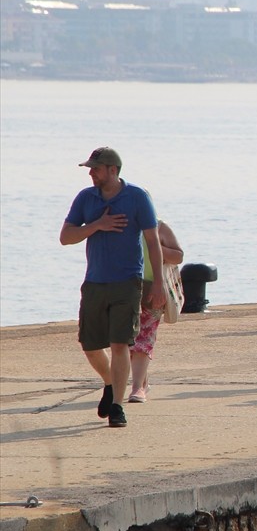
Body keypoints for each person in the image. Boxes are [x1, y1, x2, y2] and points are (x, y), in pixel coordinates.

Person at [60, 147, 166, 429]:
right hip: (94, 281)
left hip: (127, 282)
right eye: (90, 169)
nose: (91, 173)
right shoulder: (86, 198)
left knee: (120, 344)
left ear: (113, 170)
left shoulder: (137, 197)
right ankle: (110, 383)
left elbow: (153, 241)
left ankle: (118, 406)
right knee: (90, 345)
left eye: (96, 168)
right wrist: (97, 225)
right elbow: (66, 237)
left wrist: (159, 284)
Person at [128, 219, 184, 403]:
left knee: (144, 338)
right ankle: (142, 382)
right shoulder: (120, 224)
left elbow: (178, 256)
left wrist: (157, 248)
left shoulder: (159, 227)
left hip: (153, 289)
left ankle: (137, 388)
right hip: (124, 288)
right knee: (127, 341)